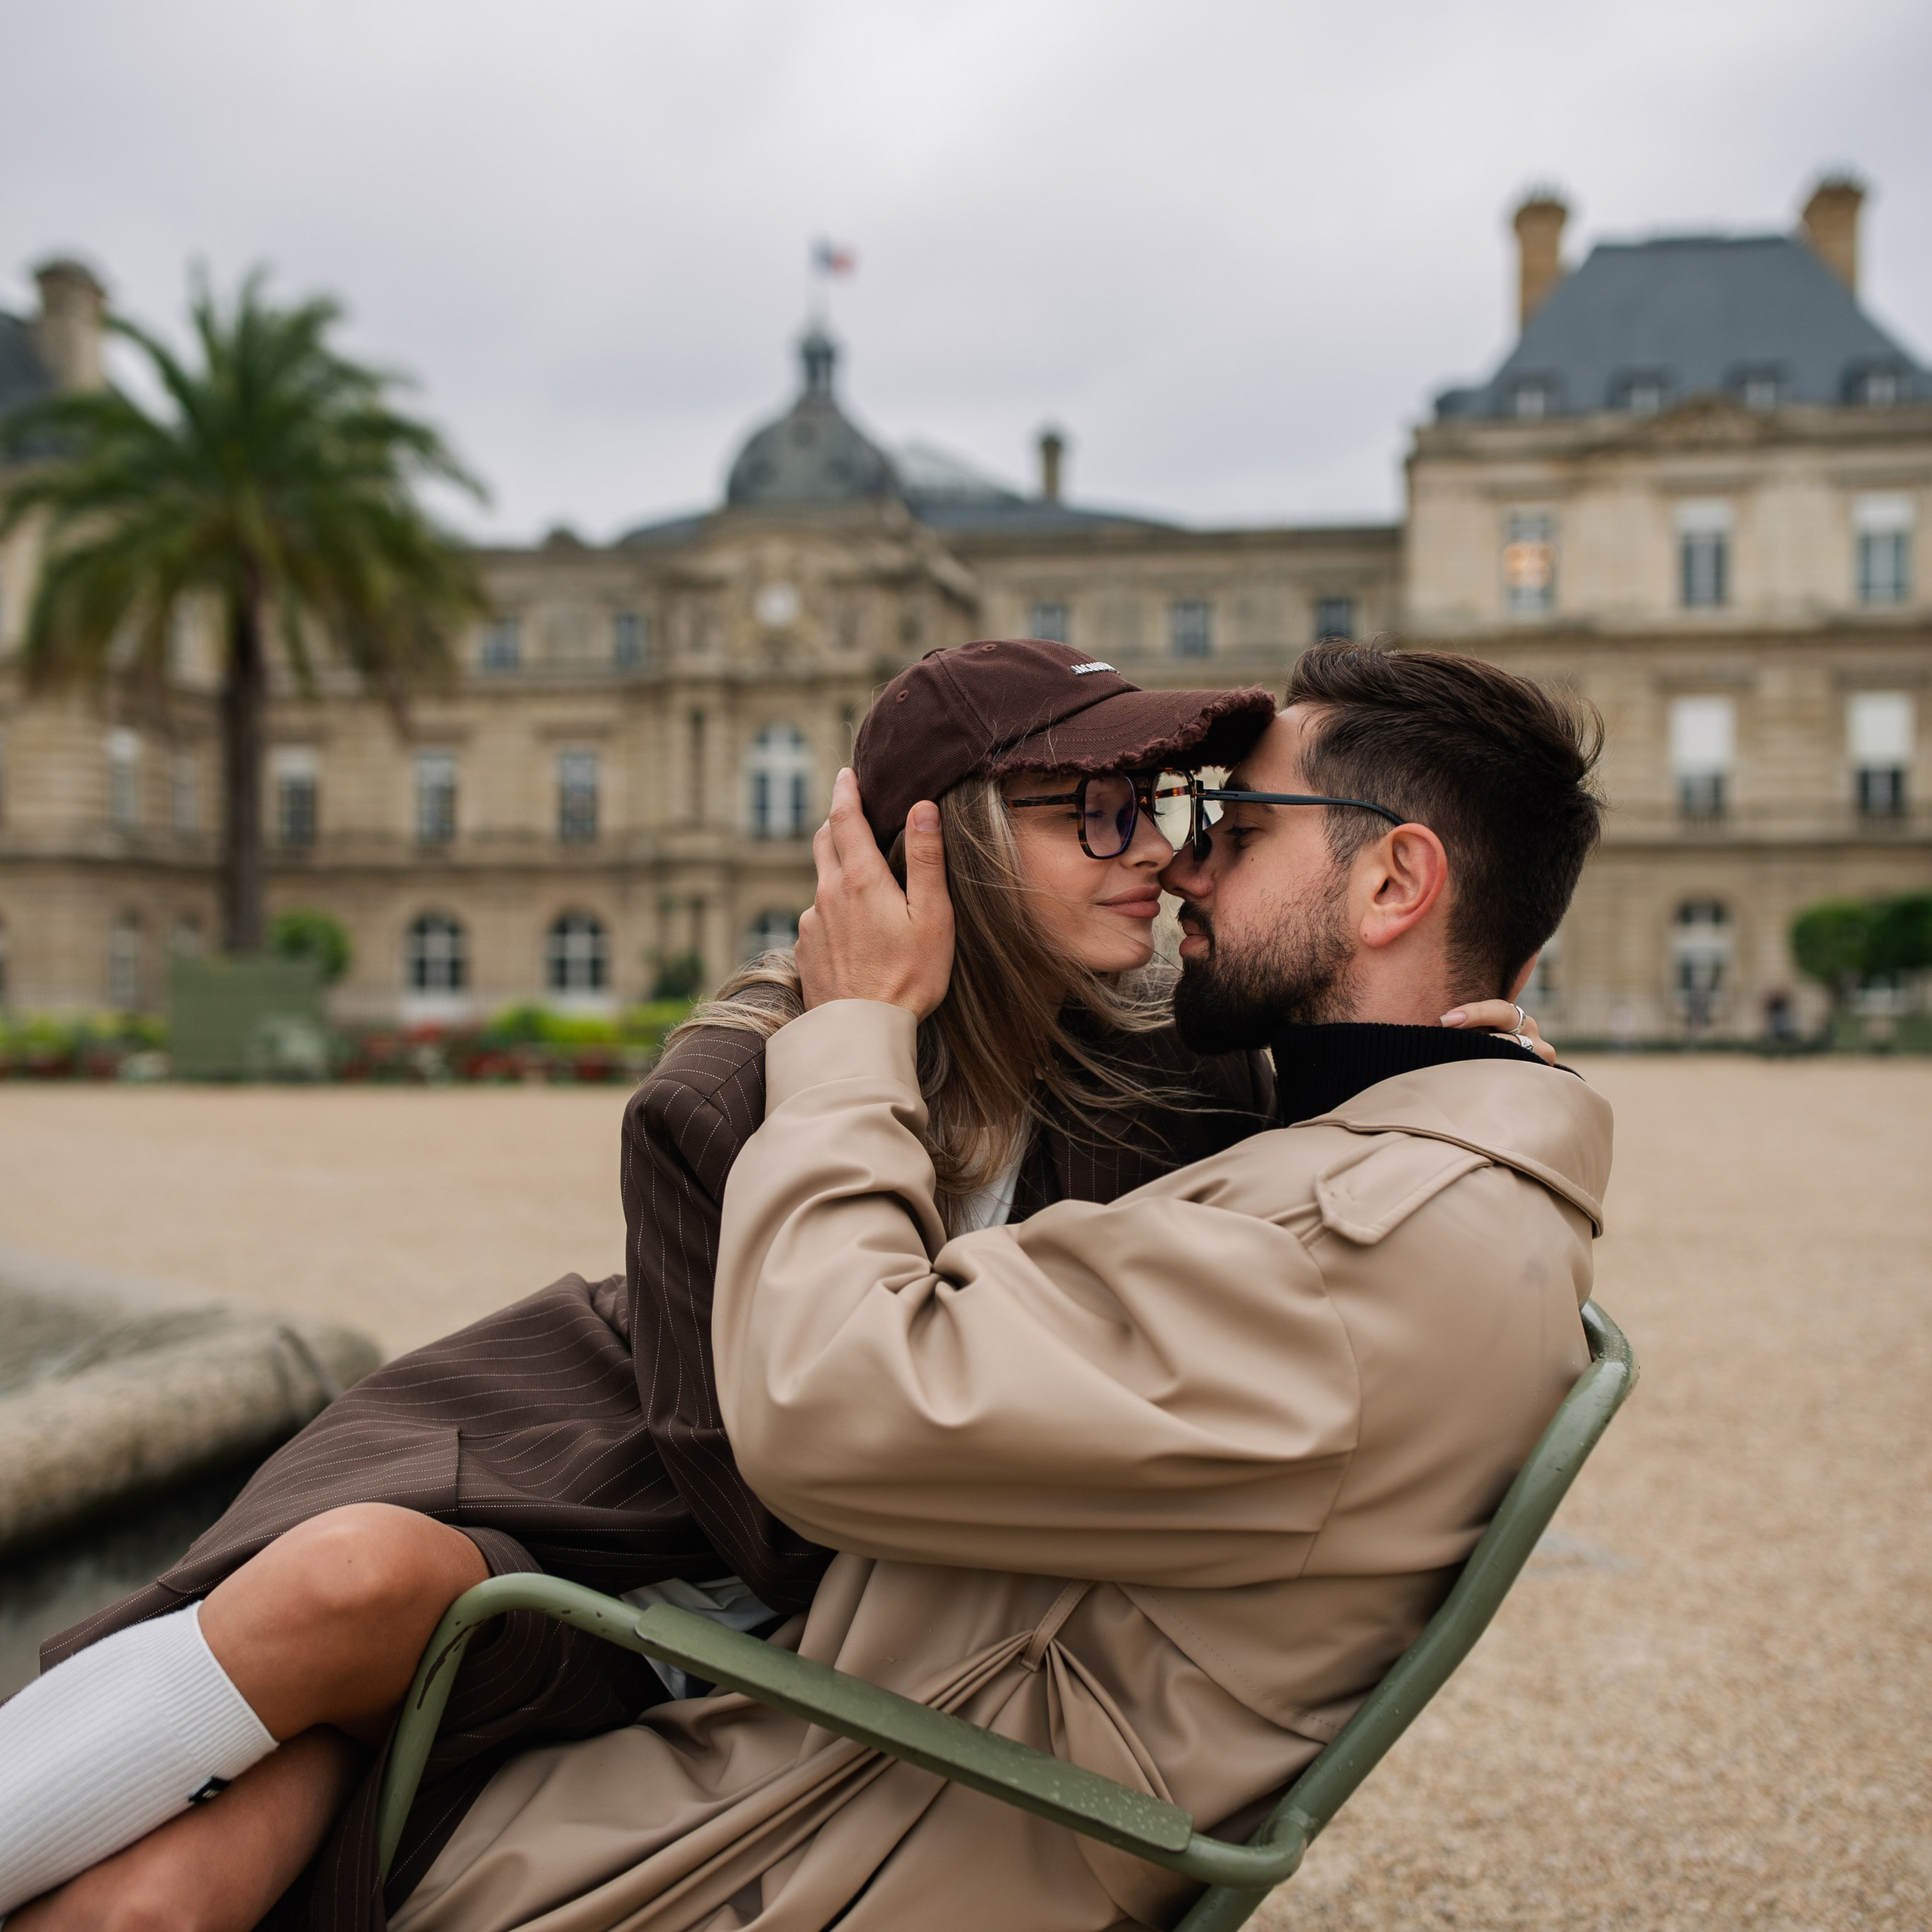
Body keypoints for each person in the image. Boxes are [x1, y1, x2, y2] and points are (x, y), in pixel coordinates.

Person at [0, 638, 1549, 1931]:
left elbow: (1372, 1052)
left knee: (163, 1896)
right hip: (573, 1519)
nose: (1155, 848)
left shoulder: (1171, 1081)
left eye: (1162, 806)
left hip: (697, 1628)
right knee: (347, 1588)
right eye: (1095, 807)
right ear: (949, 845)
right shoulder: (727, 1084)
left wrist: (1465, 1071)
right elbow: (766, 1497)